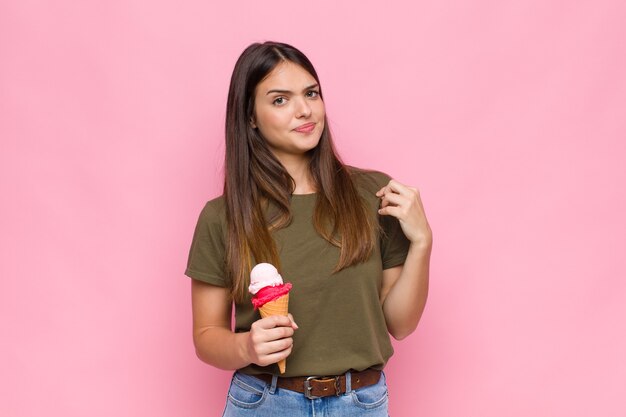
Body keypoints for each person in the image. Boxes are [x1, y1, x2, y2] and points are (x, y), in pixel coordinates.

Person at [185, 41, 432, 416]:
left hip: (360, 403)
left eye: (311, 93)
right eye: (280, 100)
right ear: (250, 116)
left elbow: (401, 324)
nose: (304, 110)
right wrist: (246, 348)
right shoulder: (223, 217)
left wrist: (422, 243)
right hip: (265, 402)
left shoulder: (373, 194)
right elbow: (206, 337)